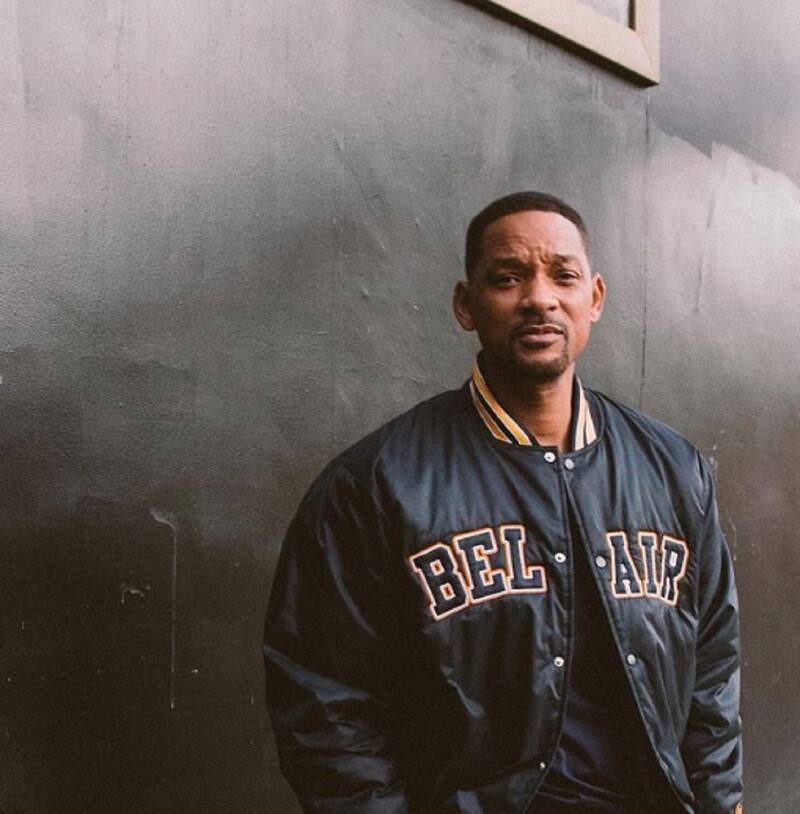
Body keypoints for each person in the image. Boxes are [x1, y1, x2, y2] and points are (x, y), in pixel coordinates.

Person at [264, 192, 742, 814]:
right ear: (466, 304)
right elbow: (324, 702)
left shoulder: (674, 470)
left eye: (563, 276)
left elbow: (712, 670)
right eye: (508, 278)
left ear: (594, 297)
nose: (540, 298)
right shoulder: (377, 484)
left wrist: (721, 803)